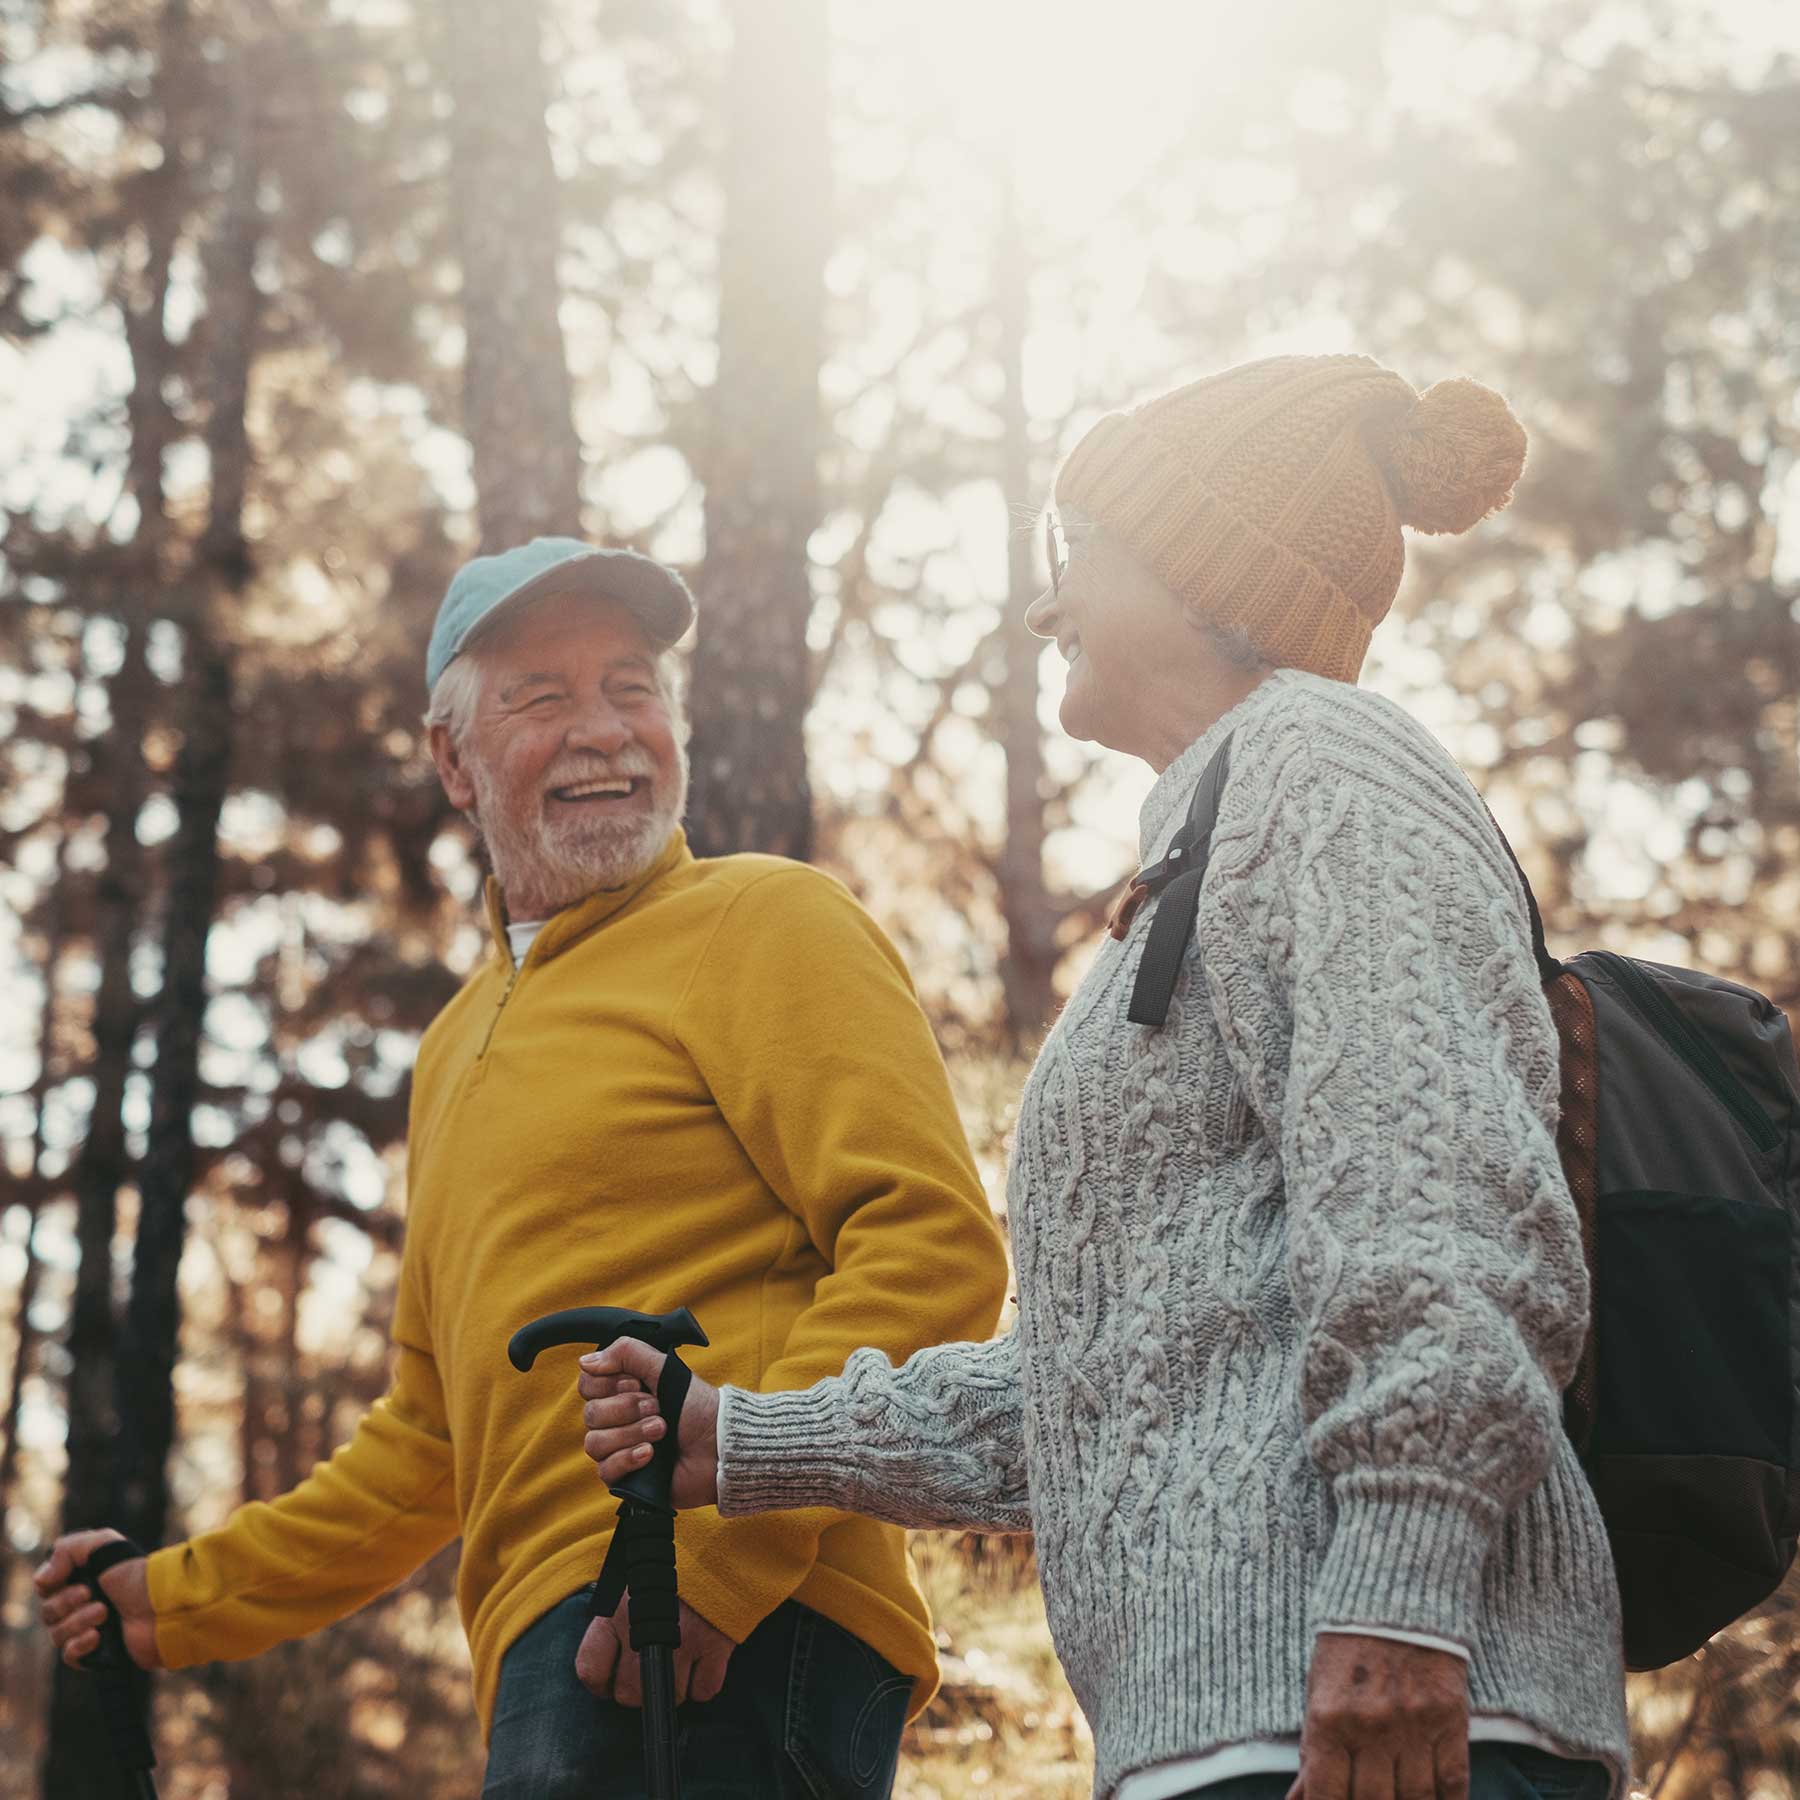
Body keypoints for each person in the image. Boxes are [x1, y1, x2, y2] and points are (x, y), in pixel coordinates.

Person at [577, 359, 1632, 1800]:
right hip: (1235, 1735)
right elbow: (1112, 1383)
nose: (1044, 605)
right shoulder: (1202, 844)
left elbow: (1440, 1195)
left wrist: (1399, 1586)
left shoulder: (1329, 768)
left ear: (1208, 577)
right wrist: (749, 1438)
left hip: (1394, 1718)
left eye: (1078, 556)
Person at [35, 536, 1010, 1798]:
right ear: (454, 757)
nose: (603, 731)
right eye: (542, 698)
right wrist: (166, 1603)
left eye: (632, 687)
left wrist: (715, 1561)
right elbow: (431, 1439)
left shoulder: (766, 919)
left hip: (741, 1628)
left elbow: (932, 1248)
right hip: (550, 1653)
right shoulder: (449, 1053)